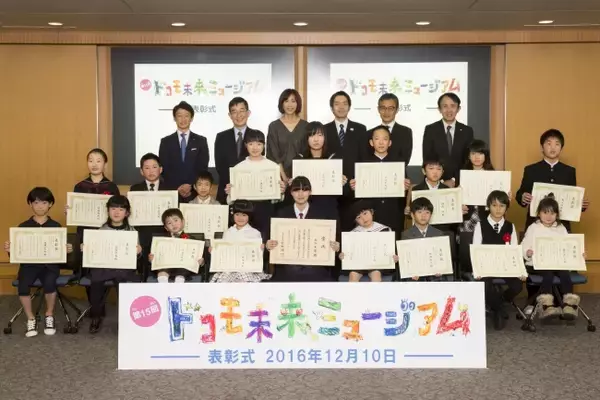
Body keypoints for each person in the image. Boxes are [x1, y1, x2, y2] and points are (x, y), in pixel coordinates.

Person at [3, 187, 73, 337]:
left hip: (50, 265)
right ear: (30, 204)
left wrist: (67, 250)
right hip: (29, 265)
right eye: (36, 202)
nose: (40, 206)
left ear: (50, 204)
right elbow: (16, 254)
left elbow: (60, 251)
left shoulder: (56, 226)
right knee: (23, 284)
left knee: (50, 282)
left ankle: (49, 315)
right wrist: (10, 249)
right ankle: (30, 318)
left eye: (44, 202)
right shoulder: (23, 227)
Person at [82, 195, 141, 334]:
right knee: (96, 282)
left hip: (123, 268)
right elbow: (94, 252)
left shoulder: (132, 231)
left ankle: (127, 320)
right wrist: (86, 248)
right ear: (108, 211)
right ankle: (96, 316)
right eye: (113, 208)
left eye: (121, 209)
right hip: (104, 267)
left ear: (127, 213)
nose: (116, 212)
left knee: (124, 284)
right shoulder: (100, 230)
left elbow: (136, 256)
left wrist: (138, 252)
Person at [267, 176, 340, 282]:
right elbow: (272, 241)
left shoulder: (322, 214)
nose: (300, 194)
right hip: (288, 268)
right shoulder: (281, 213)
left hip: (315, 268)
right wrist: (269, 245)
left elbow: (331, 244)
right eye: (296, 190)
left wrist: (335, 247)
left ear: (310, 192)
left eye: (304, 190)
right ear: (291, 193)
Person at [521, 196, 583, 319]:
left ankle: (569, 304)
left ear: (557, 215)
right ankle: (546, 305)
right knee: (548, 273)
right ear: (539, 213)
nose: (548, 216)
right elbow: (524, 245)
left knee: (564, 273)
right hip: (536, 264)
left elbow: (569, 246)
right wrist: (527, 252)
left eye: (552, 213)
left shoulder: (560, 228)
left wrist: (579, 255)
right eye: (545, 212)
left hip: (556, 263)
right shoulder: (534, 227)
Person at [516, 129, 589, 231]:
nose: (553, 147)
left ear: (561, 148)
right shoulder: (531, 170)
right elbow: (520, 194)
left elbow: (571, 197)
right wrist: (523, 197)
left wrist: (580, 204)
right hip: (536, 225)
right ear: (542, 147)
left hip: (561, 225)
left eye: (557, 144)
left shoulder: (569, 171)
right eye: (549, 144)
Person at [472, 190, 524, 330]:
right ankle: (499, 309)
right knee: (484, 284)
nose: (498, 209)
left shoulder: (510, 226)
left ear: (506, 208)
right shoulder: (480, 225)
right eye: (494, 205)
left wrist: (519, 270)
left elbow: (514, 250)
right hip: (486, 266)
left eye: (502, 206)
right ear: (488, 206)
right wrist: (478, 270)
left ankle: (497, 302)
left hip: (505, 266)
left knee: (517, 285)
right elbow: (476, 249)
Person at [351, 125, 411, 239]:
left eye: (385, 139)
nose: (381, 142)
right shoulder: (363, 163)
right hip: (372, 214)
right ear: (371, 142)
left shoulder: (397, 163)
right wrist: (354, 187)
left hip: (393, 211)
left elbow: (403, 189)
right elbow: (358, 191)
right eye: (377, 139)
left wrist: (405, 186)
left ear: (390, 143)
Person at [225, 130, 286, 240]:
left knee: (265, 240)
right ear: (246, 145)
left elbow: (276, 199)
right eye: (251, 144)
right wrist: (230, 192)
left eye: (259, 144)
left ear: (264, 145)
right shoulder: (238, 168)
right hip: (245, 211)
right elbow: (232, 200)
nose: (255, 147)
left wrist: (281, 191)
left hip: (265, 210)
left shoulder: (272, 166)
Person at [292, 121, 347, 218]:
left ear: (325, 137)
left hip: (328, 207)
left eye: (320, 135)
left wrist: (341, 183)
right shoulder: (299, 159)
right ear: (306, 138)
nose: (316, 139)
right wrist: (292, 183)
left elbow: (341, 194)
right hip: (306, 208)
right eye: (312, 135)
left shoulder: (333, 159)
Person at [129, 153, 171, 278]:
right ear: (141, 171)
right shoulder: (135, 189)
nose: (151, 171)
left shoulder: (170, 188)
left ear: (161, 169)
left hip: (163, 232)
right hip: (143, 232)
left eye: (154, 167)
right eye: (147, 168)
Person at [159, 101, 209, 202]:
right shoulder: (166, 141)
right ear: (174, 118)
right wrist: (178, 187)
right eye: (179, 116)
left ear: (191, 118)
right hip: (172, 191)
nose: (183, 119)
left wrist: (190, 185)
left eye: (186, 116)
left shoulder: (201, 141)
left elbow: (202, 167)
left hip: (194, 191)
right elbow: (164, 168)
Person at [214, 97, 262, 204]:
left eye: (242, 111)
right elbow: (220, 166)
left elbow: (260, 163)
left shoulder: (257, 136)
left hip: (251, 191)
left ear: (248, 113)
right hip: (227, 190)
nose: (238, 115)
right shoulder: (221, 137)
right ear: (230, 115)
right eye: (234, 112)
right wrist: (233, 186)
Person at [209, 200, 271, 283]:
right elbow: (223, 253)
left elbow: (257, 256)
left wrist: (261, 249)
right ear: (233, 214)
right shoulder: (228, 232)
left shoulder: (255, 233)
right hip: (229, 269)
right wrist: (214, 251)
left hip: (248, 270)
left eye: (244, 215)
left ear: (249, 216)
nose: (240, 218)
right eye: (237, 214)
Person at [422, 93, 474, 186]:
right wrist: (441, 182)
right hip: (436, 183)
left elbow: (468, 160)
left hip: (461, 182)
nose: (449, 110)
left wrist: (454, 180)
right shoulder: (430, 129)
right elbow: (427, 159)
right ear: (439, 109)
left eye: (453, 106)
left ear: (458, 109)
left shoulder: (467, 131)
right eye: (445, 106)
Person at [340, 200, 397, 282]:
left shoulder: (384, 230)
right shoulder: (353, 233)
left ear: (372, 212)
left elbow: (389, 251)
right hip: (359, 263)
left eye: (365, 213)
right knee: (352, 275)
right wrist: (343, 256)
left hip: (377, 263)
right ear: (356, 221)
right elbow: (348, 254)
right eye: (359, 217)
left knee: (376, 274)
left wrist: (393, 257)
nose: (364, 218)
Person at [149, 208, 205, 283]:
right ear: (166, 228)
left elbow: (199, 259)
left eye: (176, 220)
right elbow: (156, 258)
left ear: (183, 222)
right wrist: (152, 259)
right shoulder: (161, 241)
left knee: (182, 272)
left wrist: (201, 262)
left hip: (183, 269)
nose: (173, 224)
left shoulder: (192, 240)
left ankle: (178, 285)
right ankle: (163, 287)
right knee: (162, 272)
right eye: (169, 223)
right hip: (167, 266)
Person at [266, 89, 309, 182]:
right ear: (282, 103)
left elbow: (307, 154)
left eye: (293, 101)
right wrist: (284, 178)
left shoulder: (305, 126)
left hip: (301, 178)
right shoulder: (274, 126)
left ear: (298, 103)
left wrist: (296, 178)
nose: (290, 105)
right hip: (279, 179)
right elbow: (273, 154)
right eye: (286, 101)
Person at [401, 197, 447, 281]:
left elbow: (443, 258)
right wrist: (411, 271)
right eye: (419, 212)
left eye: (427, 212)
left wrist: (441, 268)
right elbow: (406, 260)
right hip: (415, 276)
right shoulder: (406, 235)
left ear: (431, 215)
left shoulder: (439, 234)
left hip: (435, 276)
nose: (423, 215)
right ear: (412, 215)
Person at [323, 91, 367, 178]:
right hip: (331, 178)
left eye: (345, 104)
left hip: (354, 180)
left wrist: (360, 178)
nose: (341, 107)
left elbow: (364, 156)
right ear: (332, 108)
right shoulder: (324, 130)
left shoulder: (360, 129)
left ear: (349, 107)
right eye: (337, 104)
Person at [362, 93, 412, 166]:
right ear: (378, 109)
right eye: (383, 108)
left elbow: (405, 159)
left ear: (397, 110)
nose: (386, 112)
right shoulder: (369, 133)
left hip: (397, 171)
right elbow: (366, 158)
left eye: (391, 108)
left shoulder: (405, 132)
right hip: (373, 171)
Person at [458, 140, 495, 235]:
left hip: (487, 217)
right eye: (473, 153)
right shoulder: (462, 174)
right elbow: (456, 199)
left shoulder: (493, 175)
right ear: (468, 156)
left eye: (480, 153)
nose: (477, 157)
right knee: (466, 243)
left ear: (486, 155)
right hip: (467, 218)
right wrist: (459, 205)